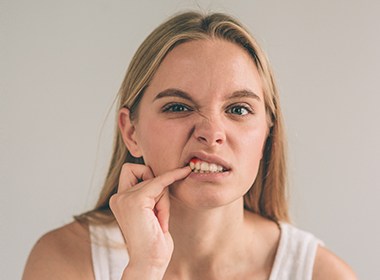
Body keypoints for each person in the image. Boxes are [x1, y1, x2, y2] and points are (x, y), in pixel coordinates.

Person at [23, 11, 357, 280]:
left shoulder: (322, 274)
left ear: (268, 133)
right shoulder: (65, 260)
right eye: (178, 107)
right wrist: (144, 269)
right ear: (131, 131)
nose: (211, 133)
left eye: (238, 109)